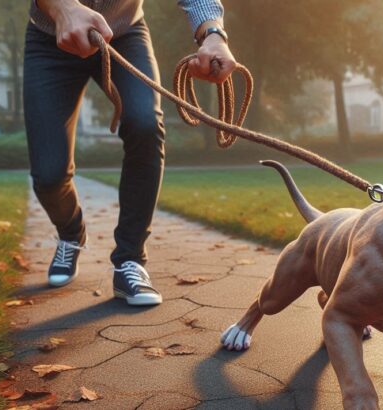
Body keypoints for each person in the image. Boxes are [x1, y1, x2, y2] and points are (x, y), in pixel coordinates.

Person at [24, 0, 236, 305]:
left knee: (145, 125)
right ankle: (70, 233)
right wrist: (62, 8)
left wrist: (213, 33)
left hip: (124, 34)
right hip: (50, 40)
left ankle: (130, 260)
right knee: (49, 175)